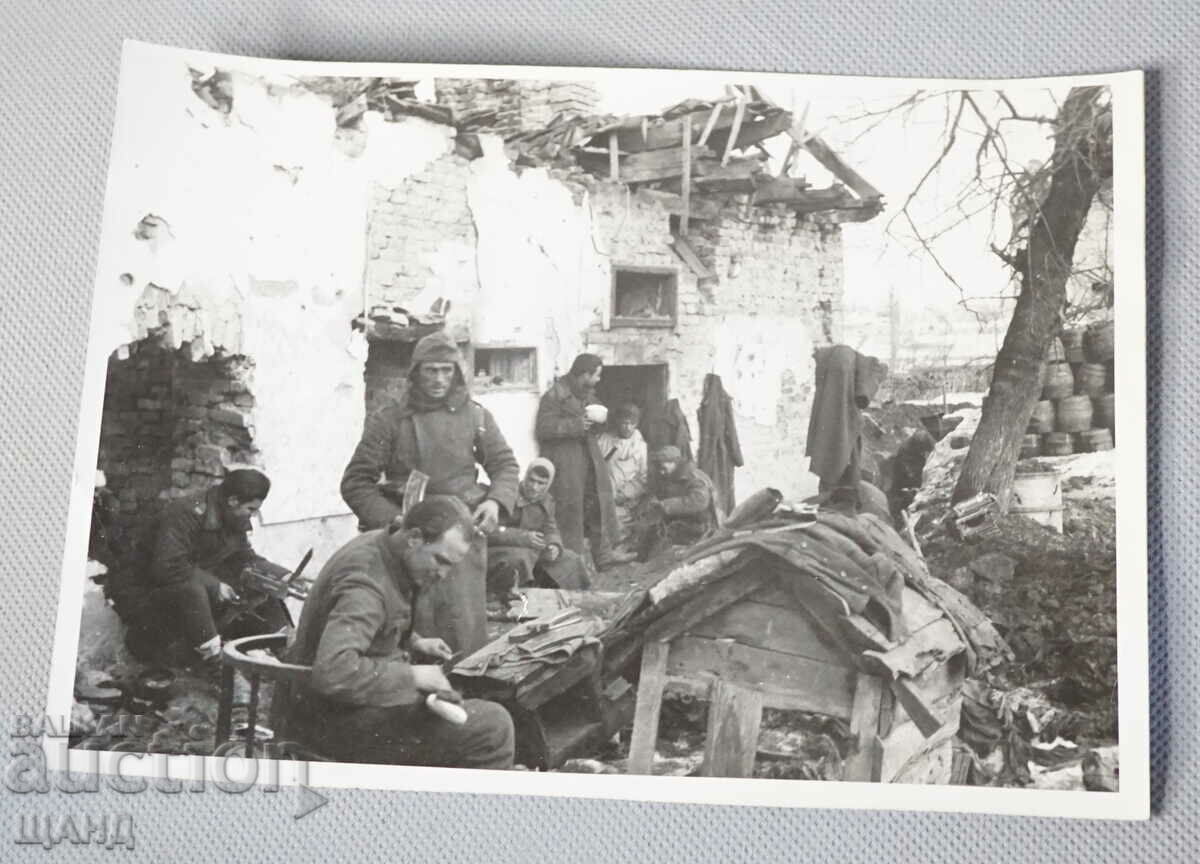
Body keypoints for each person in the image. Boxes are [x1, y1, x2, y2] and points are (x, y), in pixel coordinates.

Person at [285, 496, 515, 769]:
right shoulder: (365, 583)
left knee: (467, 710)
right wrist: (414, 676)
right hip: (332, 725)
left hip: (343, 707)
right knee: (493, 726)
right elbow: (334, 671)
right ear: (415, 537)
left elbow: (378, 621)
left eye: (451, 565)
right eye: (440, 560)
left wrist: (417, 642)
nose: (443, 574)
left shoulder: (385, 547)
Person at [340, 330, 520, 656]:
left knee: (463, 633)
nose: (439, 379)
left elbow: (506, 466)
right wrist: (396, 522)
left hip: (460, 541)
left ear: (457, 372)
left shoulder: (476, 416)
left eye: (447, 370)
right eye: (430, 370)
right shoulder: (391, 419)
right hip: (413, 542)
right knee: (411, 633)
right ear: (416, 372)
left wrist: (495, 501)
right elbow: (355, 483)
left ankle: (465, 695)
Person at [107, 468, 289, 666]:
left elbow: (243, 556)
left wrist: (281, 575)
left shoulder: (233, 516)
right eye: (251, 509)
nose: (253, 515)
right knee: (192, 589)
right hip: (143, 591)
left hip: (186, 587)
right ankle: (213, 659)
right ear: (233, 501)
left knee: (257, 584)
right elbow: (168, 565)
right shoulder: (184, 513)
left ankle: (286, 647)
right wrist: (215, 586)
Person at [534, 353, 631, 569]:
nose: (598, 380)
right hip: (566, 460)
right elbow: (543, 428)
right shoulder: (554, 395)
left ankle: (604, 555)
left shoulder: (586, 393)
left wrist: (599, 422)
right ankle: (573, 561)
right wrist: (576, 425)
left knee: (598, 503)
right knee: (570, 512)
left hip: (589, 457)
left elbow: (595, 420)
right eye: (596, 375)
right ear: (585, 374)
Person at [485, 458, 590, 597]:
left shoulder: (546, 501)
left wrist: (554, 546)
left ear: (548, 484)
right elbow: (489, 531)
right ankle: (510, 602)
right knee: (520, 558)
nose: (534, 487)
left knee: (570, 559)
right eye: (531, 480)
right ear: (525, 477)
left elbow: (550, 528)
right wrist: (523, 538)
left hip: (530, 552)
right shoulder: (507, 494)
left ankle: (571, 599)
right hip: (497, 551)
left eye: (541, 483)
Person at [804, 344, 887, 515]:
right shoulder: (846, 364)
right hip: (843, 438)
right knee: (840, 483)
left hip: (839, 435)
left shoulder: (833, 368)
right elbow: (864, 393)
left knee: (834, 480)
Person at [636, 445, 721, 560]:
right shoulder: (671, 476)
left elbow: (698, 502)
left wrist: (665, 505)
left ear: (674, 462)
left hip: (699, 527)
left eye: (663, 467)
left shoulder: (694, 478)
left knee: (661, 553)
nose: (661, 472)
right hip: (681, 522)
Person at [595, 403, 648, 554]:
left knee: (619, 524)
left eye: (632, 423)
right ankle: (603, 555)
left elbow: (643, 478)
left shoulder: (640, 447)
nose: (627, 427)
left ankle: (618, 553)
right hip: (603, 493)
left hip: (623, 498)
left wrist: (625, 494)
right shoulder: (604, 440)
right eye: (624, 423)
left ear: (637, 424)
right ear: (618, 422)